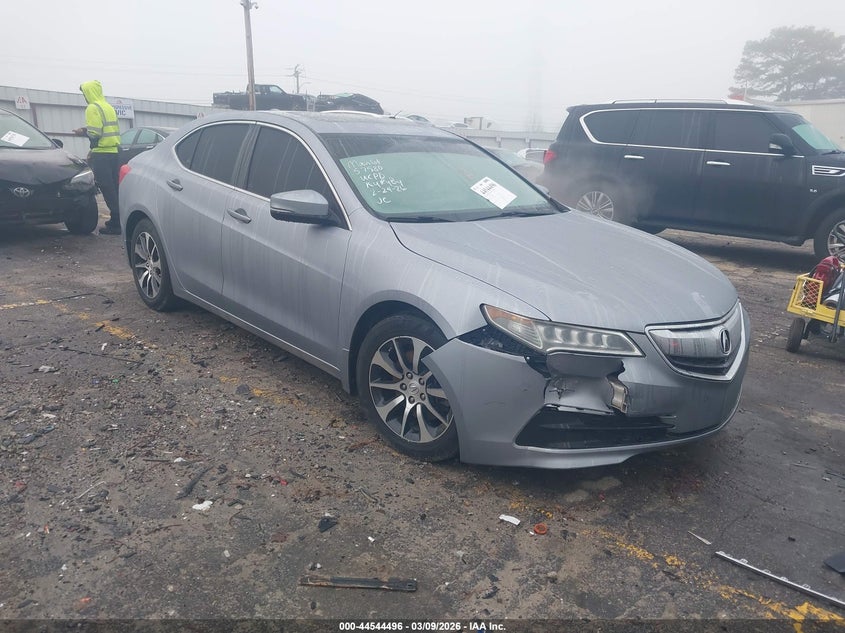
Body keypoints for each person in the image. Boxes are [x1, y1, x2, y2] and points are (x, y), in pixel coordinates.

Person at [73, 80, 121, 235]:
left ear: (89, 93)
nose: (84, 97)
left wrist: (83, 131)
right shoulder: (108, 107)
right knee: (115, 187)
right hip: (114, 151)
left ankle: (116, 223)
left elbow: (95, 132)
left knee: (107, 188)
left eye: (84, 93)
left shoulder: (92, 108)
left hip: (102, 154)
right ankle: (119, 219)